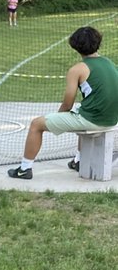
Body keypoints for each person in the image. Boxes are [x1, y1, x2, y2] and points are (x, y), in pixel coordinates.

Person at [8, 26, 118, 179]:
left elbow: (67, 103)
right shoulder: (109, 63)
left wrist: (57, 119)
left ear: (76, 46)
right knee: (80, 110)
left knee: (36, 124)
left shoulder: (77, 69)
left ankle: (24, 169)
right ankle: (78, 161)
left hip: (94, 121)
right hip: (112, 119)